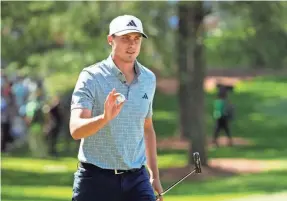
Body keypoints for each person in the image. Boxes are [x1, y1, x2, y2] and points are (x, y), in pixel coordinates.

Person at [70, 15, 163, 201]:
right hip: (95, 179)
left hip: (137, 178)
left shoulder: (148, 79)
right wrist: (104, 118)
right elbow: (75, 130)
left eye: (137, 39)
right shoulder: (91, 77)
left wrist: (154, 176)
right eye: (125, 38)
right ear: (110, 40)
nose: (132, 44)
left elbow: (147, 128)